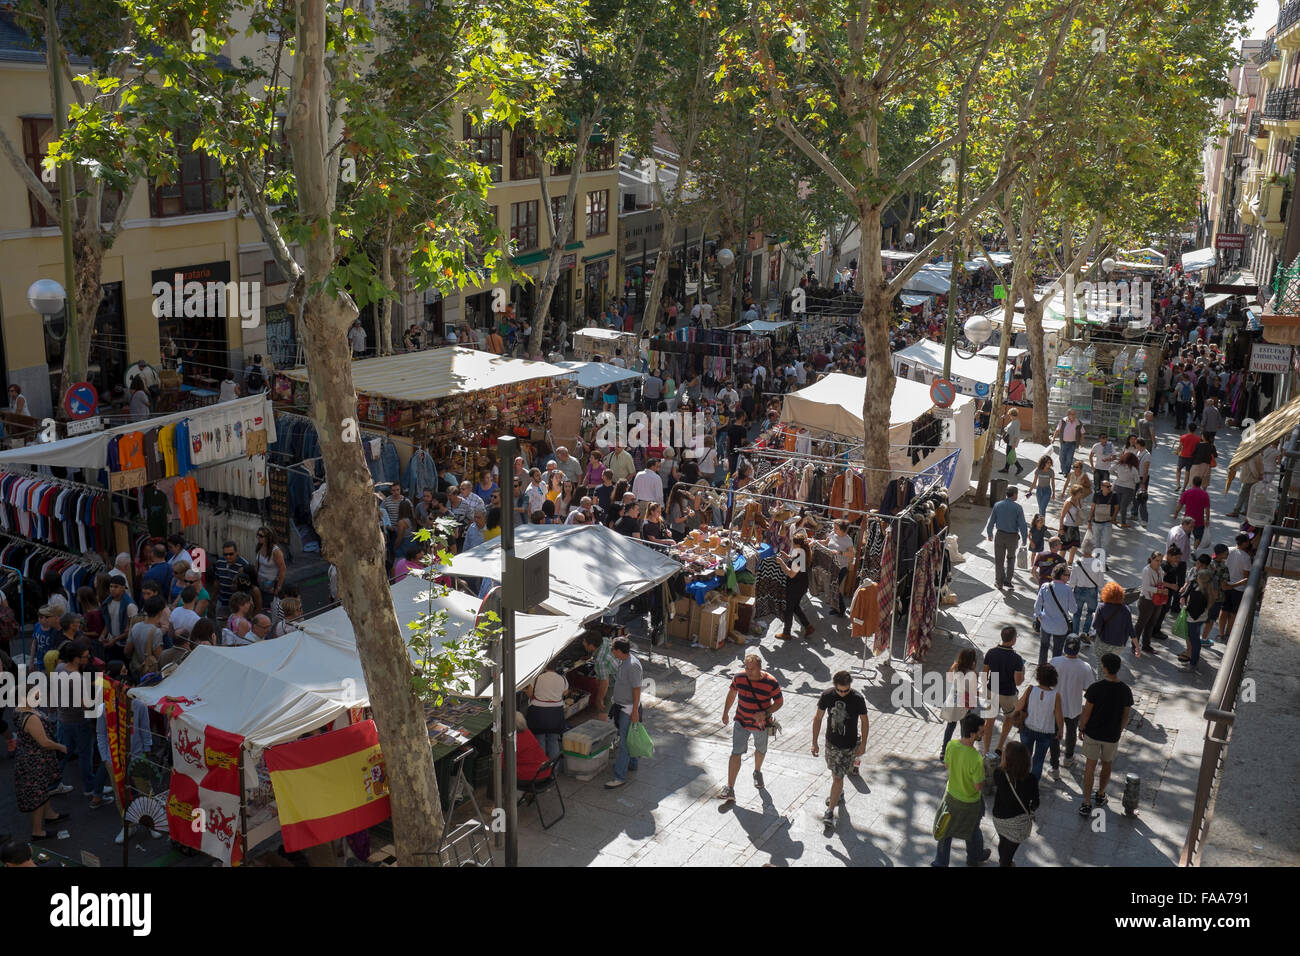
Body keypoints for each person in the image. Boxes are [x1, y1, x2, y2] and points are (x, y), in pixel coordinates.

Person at [720, 653, 783, 800]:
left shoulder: (771, 682)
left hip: (760, 726)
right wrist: (725, 713)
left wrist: (766, 713)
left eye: (752, 669)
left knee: (760, 750)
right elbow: (732, 694)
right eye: (746, 668)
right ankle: (730, 788)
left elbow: (779, 702)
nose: (748, 672)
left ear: (760, 668)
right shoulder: (739, 678)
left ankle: (757, 771)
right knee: (736, 753)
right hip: (741, 722)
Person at [1078, 653, 1134, 817]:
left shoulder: (1095, 688)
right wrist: (1119, 730)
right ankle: (1101, 794)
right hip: (1111, 735)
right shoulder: (1125, 690)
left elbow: (1086, 712)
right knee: (1107, 764)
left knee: (1090, 767)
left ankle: (1086, 802)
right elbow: (1125, 716)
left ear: (1104, 668)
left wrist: (1081, 728)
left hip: (1093, 733)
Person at [932, 714, 991, 867]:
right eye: (981, 732)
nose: (983, 733)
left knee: (945, 831)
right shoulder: (976, 758)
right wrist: (984, 777)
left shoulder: (951, 745)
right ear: (972, 734)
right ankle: (975, 857)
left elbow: (947, 765)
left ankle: (940, 863)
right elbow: (978, 786)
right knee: (972, 830)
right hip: (969, 803)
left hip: (951, 797)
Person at [812, 670, 869, 826]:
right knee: (834, 772)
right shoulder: (827, 695)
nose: (843, 693)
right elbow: (818, 718)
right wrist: (814, 742)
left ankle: (830, 812)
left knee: (838, 777)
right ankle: (839, 794)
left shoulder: (858, 699)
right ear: (834, 686)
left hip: (849, 746)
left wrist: (863, 744)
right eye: (839, 690)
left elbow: (864, 721)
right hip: (831, 743)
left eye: (846, 690)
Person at [13, 685, 69, 841]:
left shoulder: (19, 710)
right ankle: (37, 831)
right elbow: (44, 742)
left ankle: (50, 814)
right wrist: (61, 747)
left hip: (32, 758)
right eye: (36, 695)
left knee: (43, 789)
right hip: (35, 761)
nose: (39, 697)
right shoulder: (30, 717)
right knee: (38, 796)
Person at [604, 637, 644, 790]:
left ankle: (619, 776)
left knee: (625, 743)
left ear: (619, 650)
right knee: (629, 738)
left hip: (628, 710)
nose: (611, 651)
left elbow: (636, 689)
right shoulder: (623, 661)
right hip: (623, 707)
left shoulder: (632, 665)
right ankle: (632, 763)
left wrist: (634, 712)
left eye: (613, 648)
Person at [991, 741, 1039, 867]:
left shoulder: (999, 774)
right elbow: (1036, 802)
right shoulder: (1032, 779)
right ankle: (1005, 863)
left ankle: (1004, 862)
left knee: (1002, 842)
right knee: (1008, 854)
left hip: (999, 819)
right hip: (1018, 824)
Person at [1049, 637, 1094, 771]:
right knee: (1071, 733)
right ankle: (1068, 758)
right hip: (1074, 707)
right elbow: (1089, 688)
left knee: (1055, 734)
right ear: (1078, 649)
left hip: (1055, 706)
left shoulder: (1055, 661)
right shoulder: (1085, 667)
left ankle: (1054, 765)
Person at [1013, 662, 1063, 779]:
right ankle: (1033, 785)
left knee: (1024, 757)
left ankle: (1021, 779)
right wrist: (1060, 730)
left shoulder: (1030, 690)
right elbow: (1059, 716)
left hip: (1028, 728)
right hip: (1046, 733)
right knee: (1038, 761)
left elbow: (1018, 707)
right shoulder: (1056, 696)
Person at [982, 626, 1026, 755]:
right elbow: (1018, 682)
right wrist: (1023, 671)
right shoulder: (1017, 659)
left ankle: (985, 750)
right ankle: (1000, 747)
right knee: (1009, 718)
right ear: (1013, 640)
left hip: (993, 688)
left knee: (989, 722)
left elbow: (985, 674)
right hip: (1008, 692)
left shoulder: (991, 652)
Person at [985, 487, 1029, 590]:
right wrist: (1024, 538)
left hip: (1000, 535)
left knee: (999, 560)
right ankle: (1008, 580)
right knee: (1011, 558)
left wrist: (989, 533)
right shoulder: (1018, 508)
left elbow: (991, 521)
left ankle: (999, 582)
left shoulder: (998, 505)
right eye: (1017, 494)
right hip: (1012, 537)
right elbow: (1022, 524)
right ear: (1014, 494)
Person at [775, 531, 816, 640]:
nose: (792, 545)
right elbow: (794, 562)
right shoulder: (803, 552)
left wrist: (781, 562)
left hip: (795, 586)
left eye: (793, 543)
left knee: (788, 609)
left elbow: (791, 574)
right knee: (795, 607)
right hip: (801, 585)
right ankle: (808, 626)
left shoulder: (799, 557)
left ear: (797, 544)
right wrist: (787, 556)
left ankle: (786, 633)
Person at [939, 648, 980, 757]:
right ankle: (965, 749)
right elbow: (974, 692)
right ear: (973, 660)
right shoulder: (972, 674)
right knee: (965, 727)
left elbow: (949, 679)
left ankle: (944, 750)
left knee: (950, 726)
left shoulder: (955, 667)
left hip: (953, 700)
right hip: (964, 704)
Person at [1033, 564, 1076, 665]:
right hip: (1061, 627)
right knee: (1057, 651)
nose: (1069, 577)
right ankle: (1054, 670)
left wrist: (1039, 617)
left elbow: (1037, 606)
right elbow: (1073, 610)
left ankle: (1041, 668)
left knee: (1043, 648)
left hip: (1046, 624)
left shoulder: (1045, 587)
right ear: (1061, 575)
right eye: (1067, 575)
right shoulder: (1068, 590)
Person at [1177, 566, 1218, 671]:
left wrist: (1184, 608)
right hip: (1201, 618)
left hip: (1194, 620)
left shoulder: (1199, 592)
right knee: (1195, 641)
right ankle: (1193, 661)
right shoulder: (1206, 589)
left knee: (1194, 641)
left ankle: (1193, 664)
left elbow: (1194, 611)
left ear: (1200, 579)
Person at [525, 665, 568, 762]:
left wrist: (526, 691)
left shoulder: (537, 677)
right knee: (553, 740)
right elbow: (565, 693)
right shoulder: (562, 678)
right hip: (556, 713)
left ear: (545, 666)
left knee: (540, 740)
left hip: (538, 713)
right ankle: (554, 770)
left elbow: (530, 694)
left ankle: (541, 769)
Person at [1135, 549, 1173, 655]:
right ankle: (1135, 645)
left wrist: (1163, 589)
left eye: (1161, 561)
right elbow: (1146, 587)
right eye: (1157, 560)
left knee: (1151, 623)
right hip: (1146, 600)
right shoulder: (1146, 570)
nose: (1159, 563)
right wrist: (1159, 590)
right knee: (1141, 624)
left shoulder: (1160, 569)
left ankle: (1146, 645)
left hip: (1157, 600)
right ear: (1151, 559)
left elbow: (1160, 582)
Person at [1070, 545, 1104, 640]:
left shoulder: (1076, 563)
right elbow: (1100, 581)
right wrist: (1102, 592)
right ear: (1092, 550)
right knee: (1091, 612)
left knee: (1076, 613)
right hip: (1092, 591)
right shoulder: (1098, 563)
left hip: (1079, 590)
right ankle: (1085, 632)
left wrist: (1070, 590)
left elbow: (1072, 581)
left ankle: (1074, 634)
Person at [824, 519, 856, 617]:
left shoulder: (848, 540)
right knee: (832, 587)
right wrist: (816, 542)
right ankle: (835, 607)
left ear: (843, 530)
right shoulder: (833, 533)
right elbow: (826, 542)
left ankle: (841, 609)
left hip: (841, 568)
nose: (834, 529)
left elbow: (852, 554)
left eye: (836, 528)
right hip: (831, 566)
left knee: (836, 587)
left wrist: (840, 553)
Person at [214, 540, 251, 618]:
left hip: (237, 605)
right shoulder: (219, 562)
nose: (228, 557)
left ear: (236, 552)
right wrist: (213, 598)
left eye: (231, 554)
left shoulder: (244, 565)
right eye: (225, 554)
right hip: (222, 601)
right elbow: (217, 581)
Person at [1173, 475, 1211, 550]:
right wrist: (1207, 519)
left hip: (1187, 519)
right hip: (1199, 520)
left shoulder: (1187, 492)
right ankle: (1194, 550)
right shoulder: (1204, 494)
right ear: (1200, 484)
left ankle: (1184, 548)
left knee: (1185, 535)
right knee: (1198, 537)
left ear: (1192, 483)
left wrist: (1176, 513)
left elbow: (1180, 504)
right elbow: (1207, 509)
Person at [1087, 478, 1118, 554]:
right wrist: (1089, 520)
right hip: (1096, 522)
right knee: (1096, 542)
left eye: (1110, 486)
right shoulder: (1097, 494)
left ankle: (1103, 559)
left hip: (1107, 522)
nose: (1109, 488)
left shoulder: (1113, 495)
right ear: (1102, 487)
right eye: (1107, 486)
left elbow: (1117, 507)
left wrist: (1113, 518)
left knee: (1105, 542)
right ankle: (1097, 558)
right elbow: (1092, 507)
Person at [1058, 485, 1086, 565]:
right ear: (1076, 493)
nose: (1082, 494)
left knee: (1075, 545)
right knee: (1064, 547)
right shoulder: (1068, 502)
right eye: (1080, 492)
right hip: (1067, 526)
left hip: (1075, 526)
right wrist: (1061, 528)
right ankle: (1060, 563)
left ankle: (1070, 562)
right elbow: (1062, 516)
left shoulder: (1079, 500)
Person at [1111, 452, 1140, 529]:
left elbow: (1110, 469)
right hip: (1129, 489)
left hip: (1118, 486)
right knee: (1124, 506)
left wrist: (1117, 475)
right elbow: (1137, 481)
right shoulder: (1134, 469)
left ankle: (1113, 519)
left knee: (1118, 505)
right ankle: (1123, 523)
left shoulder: (1119, 465)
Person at [1054, 409, 1085, 476]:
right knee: (1061, 457)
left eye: (1075, 414)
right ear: (1068, 415)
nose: (1074, 416)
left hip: (1072, 444)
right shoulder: (1063, 421)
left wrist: (1082, 442)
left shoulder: (1078, 422)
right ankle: (1063, 470)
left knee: (1069, 458)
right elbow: (1057, 430)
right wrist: (1053, 438)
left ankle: (1066, 472)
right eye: (1072, 414)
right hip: (1063, 443)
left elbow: (1082, 433)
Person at [997, 408, 1024, 476]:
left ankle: (1019, 467)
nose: (1009, 416)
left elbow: (1016, 434)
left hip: (1012, 442)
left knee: (1010, 456)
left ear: (1012, 415)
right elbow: (1008, 428)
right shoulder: (1013, 421)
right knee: (1008, 455)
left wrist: (1014, 443)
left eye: (1010, 415)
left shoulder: (1016, 422)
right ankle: (1006, 468)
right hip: (1010, 441)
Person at [1175, 423, 1201, 493]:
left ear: (1188, 428)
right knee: (1187, 472)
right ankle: (1184, 488)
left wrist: (1177, 452)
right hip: (1191, 457)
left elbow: (1180, 447)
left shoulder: (1183, 437)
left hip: (1183, 456)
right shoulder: (1198, 439)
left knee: (1178, 469)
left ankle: (1178, 484)